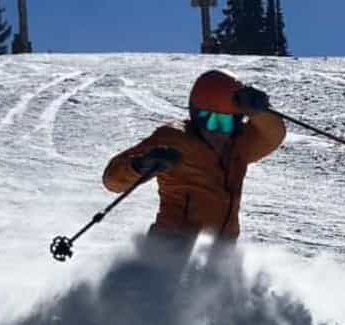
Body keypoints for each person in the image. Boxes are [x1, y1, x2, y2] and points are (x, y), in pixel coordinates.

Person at [101, 70, 286, 262]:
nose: (217, 131)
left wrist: (261, 111)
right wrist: (140, 165)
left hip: (219, 255)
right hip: (171, 249)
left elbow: (272, 136)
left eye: (226, 123)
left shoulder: (239, 146)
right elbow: (112, 181)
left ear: (238, 123)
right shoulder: (175, 139)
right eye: (210, 120)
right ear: (196, 117)